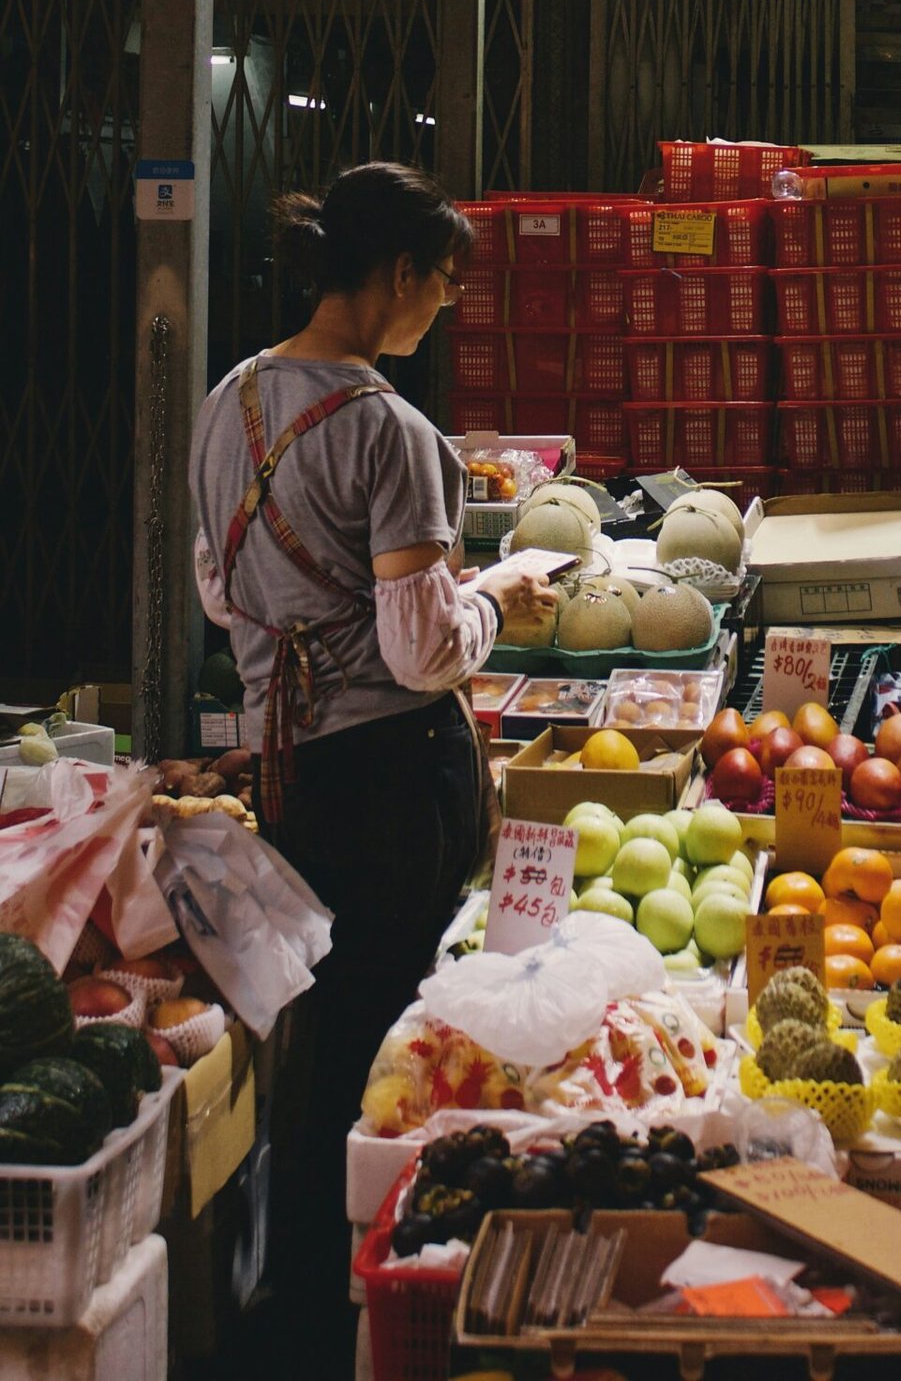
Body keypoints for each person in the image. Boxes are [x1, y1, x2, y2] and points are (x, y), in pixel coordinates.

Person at [189, 161, 558, 1348]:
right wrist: (499, 594)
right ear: (399, 274)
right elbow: (418, 650)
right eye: (442, 285)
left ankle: (292, 1285)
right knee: (385, 1049)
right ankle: (364, 1303)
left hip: (286, 770)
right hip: (394, 780)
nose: (441, 309)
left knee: (316, 1029)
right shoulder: (391, 433)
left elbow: (216, 590)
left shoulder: (228, 401)